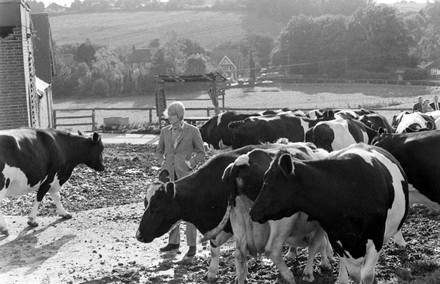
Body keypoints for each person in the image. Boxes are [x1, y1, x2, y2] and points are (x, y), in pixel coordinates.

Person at [155, 101, 205, 257]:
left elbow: (201, 153)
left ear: (180, 115)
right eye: (168, 114)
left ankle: (192, 245)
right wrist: (162, 162)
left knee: (189, 210)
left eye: (172, 114)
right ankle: (173, 243)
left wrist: (190, 163)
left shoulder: (193, 131)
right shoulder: (164, 131)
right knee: (170, 209)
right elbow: (159, 151)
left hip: (186, 176)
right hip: (168, 175)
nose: (169, 117)